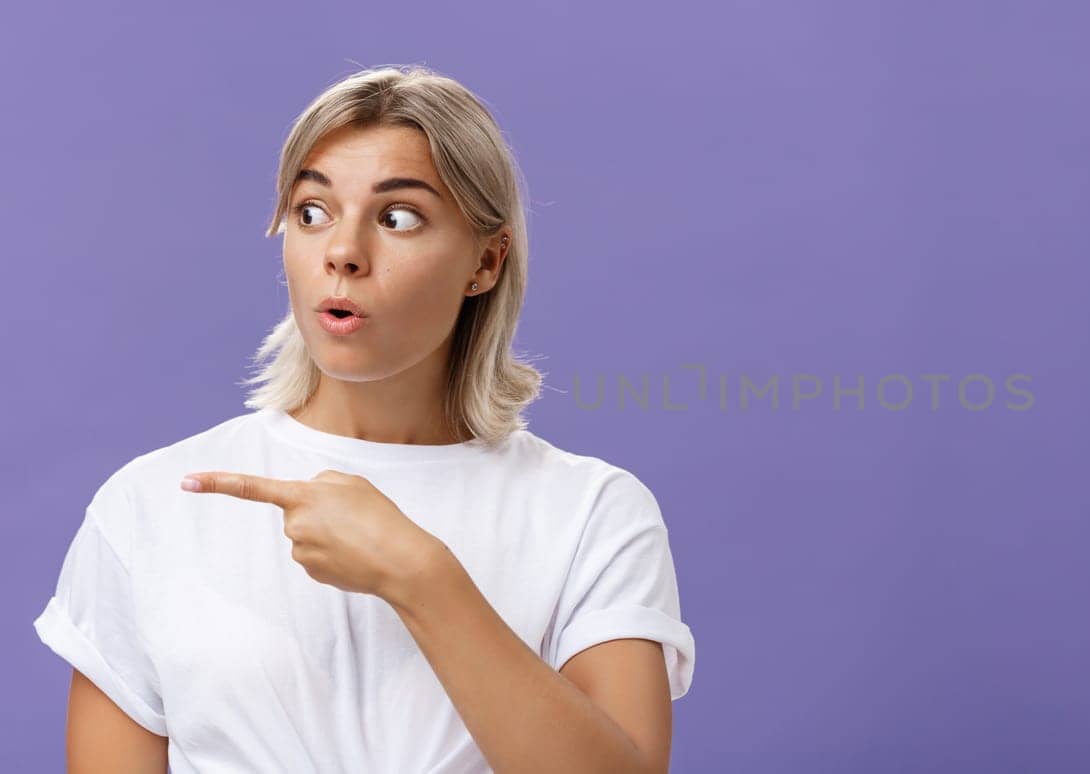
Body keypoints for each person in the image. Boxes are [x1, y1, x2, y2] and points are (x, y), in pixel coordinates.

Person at [31, 64, 694, 774]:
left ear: (487, 261)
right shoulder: (149, 505)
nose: (343, 253)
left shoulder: (592, 514)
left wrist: (420, 577)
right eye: (312, 213)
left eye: (398, 217)